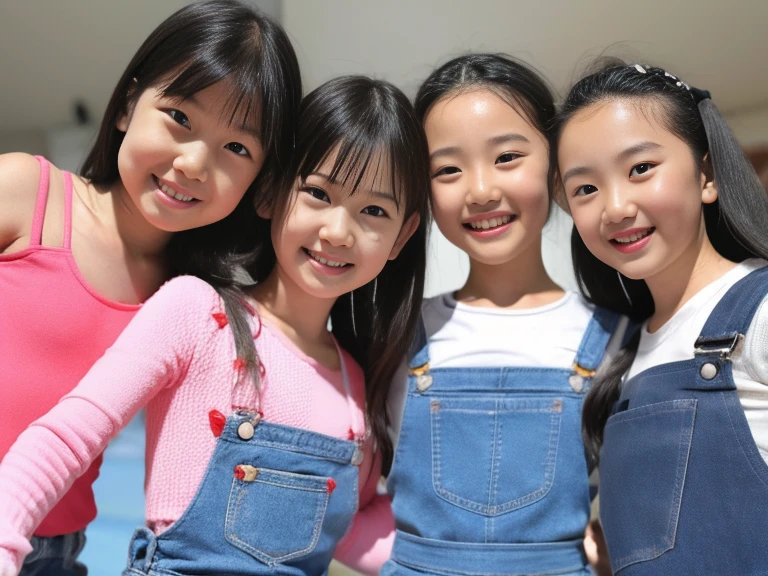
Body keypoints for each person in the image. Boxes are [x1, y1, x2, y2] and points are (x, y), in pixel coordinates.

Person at [0, 75, 431, 576]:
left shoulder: (359, 387)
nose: (337, 231)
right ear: (269, 193)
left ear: (401, 238)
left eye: (374, 211)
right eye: (317, 192)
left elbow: (352, 528)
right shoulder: (198, 314)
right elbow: (64, 438)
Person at [0, 2, 302, 573]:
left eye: (236, 148)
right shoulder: (26, 194)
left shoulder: (194, 302)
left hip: (54, 550)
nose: (191, 162)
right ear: (128, 104)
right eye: (180, 118)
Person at [383, 53, 622, 576]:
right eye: (447, 169)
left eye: (507, 157)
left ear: (556, 165)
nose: (481, 190)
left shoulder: (616, 338)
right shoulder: (396, 337)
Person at [555, 60, 768, 575]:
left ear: (707, 175)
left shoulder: (760, 310)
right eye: (585, 188)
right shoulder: (620, 352)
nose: (615, 207)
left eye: (640, 169)